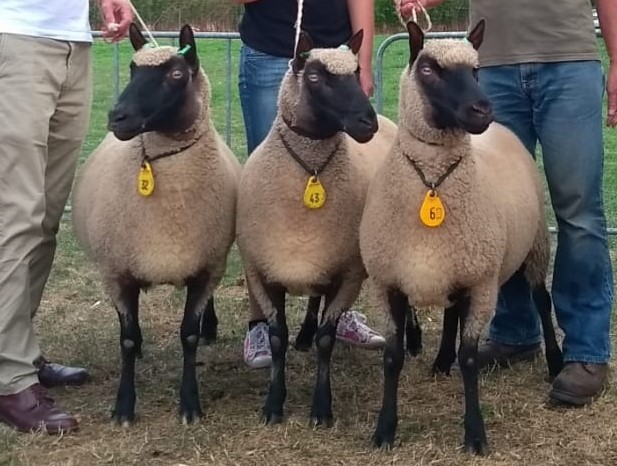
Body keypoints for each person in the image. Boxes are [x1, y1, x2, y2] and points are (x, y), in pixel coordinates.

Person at [397, 0, 616, 405]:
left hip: (566, 62)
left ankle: (587, 350)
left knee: (578, 209)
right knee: (498, 206)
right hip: (489, 67)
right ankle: (515, 333)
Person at [0, 0, 132, 433]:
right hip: (15, 37)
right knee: (16, 215)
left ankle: (18, 348)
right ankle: (9, 378)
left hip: (74, 42)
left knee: (45, 215)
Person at [234, 0, 386, 369]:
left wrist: (360, 64)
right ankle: (262, 320)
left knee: (342, 187)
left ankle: (339, 309)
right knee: (266, 194)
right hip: (272, 55)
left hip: (337, 59)